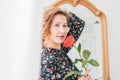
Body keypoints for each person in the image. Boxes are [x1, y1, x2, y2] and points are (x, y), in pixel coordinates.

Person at [40, 7, 91, 80]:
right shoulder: (46, 60)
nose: (63, 31)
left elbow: (79, 23)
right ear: (46, 27)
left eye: (65, 25)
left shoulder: (63, 48)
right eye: (57, 25)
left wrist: (80, 78)